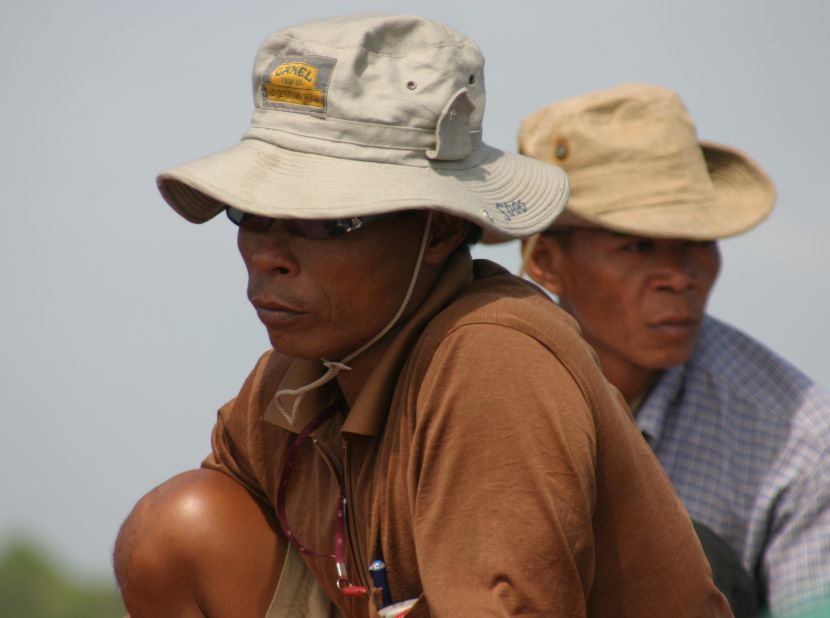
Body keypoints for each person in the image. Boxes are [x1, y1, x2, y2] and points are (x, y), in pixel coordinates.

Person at [112, 17, 731, 618]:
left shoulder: (494, 362)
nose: (269, 255)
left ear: (437, 228)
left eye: (327, 221)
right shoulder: (298, 378)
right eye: (251, 215)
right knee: (177, 529)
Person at [516, 82, 830, 616]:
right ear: (547, 264)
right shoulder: (478, 390)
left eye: (698, 243)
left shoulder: (807, 444)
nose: (680, 276)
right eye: (637, 245)